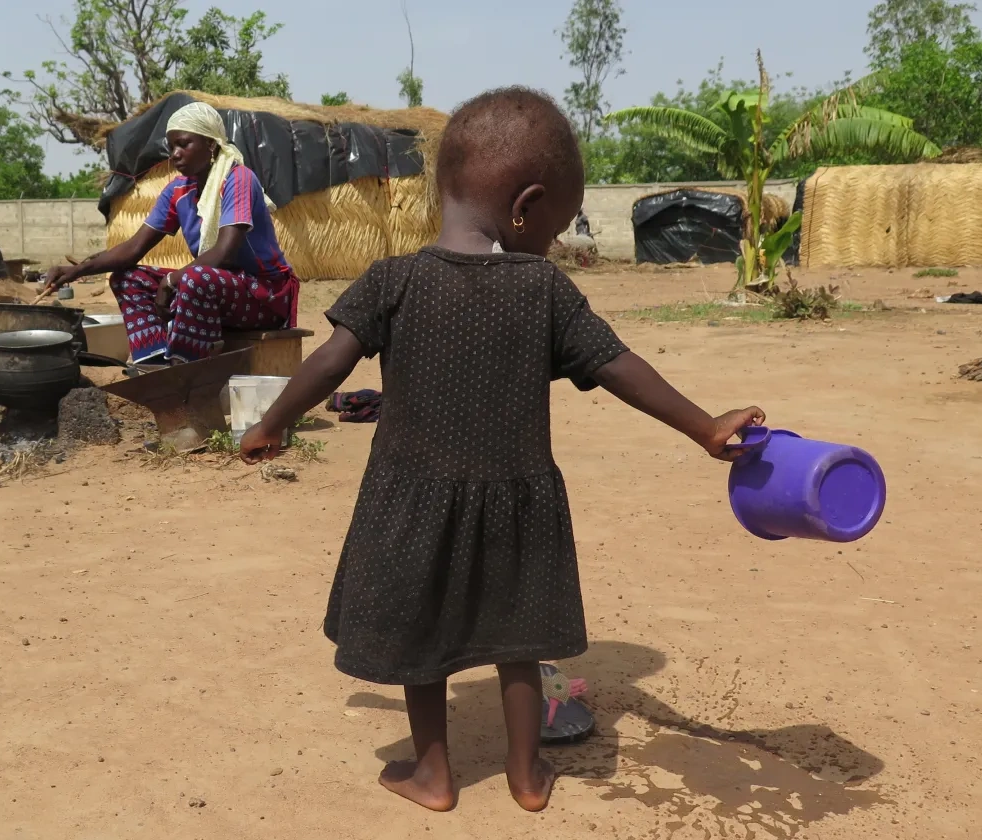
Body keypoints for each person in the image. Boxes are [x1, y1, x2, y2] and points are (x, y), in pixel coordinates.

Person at [238, 87, 765, 814]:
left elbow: (331, 363)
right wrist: (705, 425)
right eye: (553, 224)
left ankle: (433, 775)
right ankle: (525, 777)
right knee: (520, 643)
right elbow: (618, 366)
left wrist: (271, 423)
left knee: (421, 640)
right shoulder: (544, 288)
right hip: (519, 501)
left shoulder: (394, 281)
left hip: (412, 495)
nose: (548, 241)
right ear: (526, 206)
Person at [43, 102, 300, 364]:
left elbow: (223, 253)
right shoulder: (178, 190)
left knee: (194, 278)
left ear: (211, 144)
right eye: (171, 147)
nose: (175, 154)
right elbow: (133, 249)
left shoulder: (238, 179)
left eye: (183, 144)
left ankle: (186, 367)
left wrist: (170, 281)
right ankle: (153, 363)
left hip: (264, 296)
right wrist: (76, 271)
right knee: (128, 279)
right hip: (215, 289)